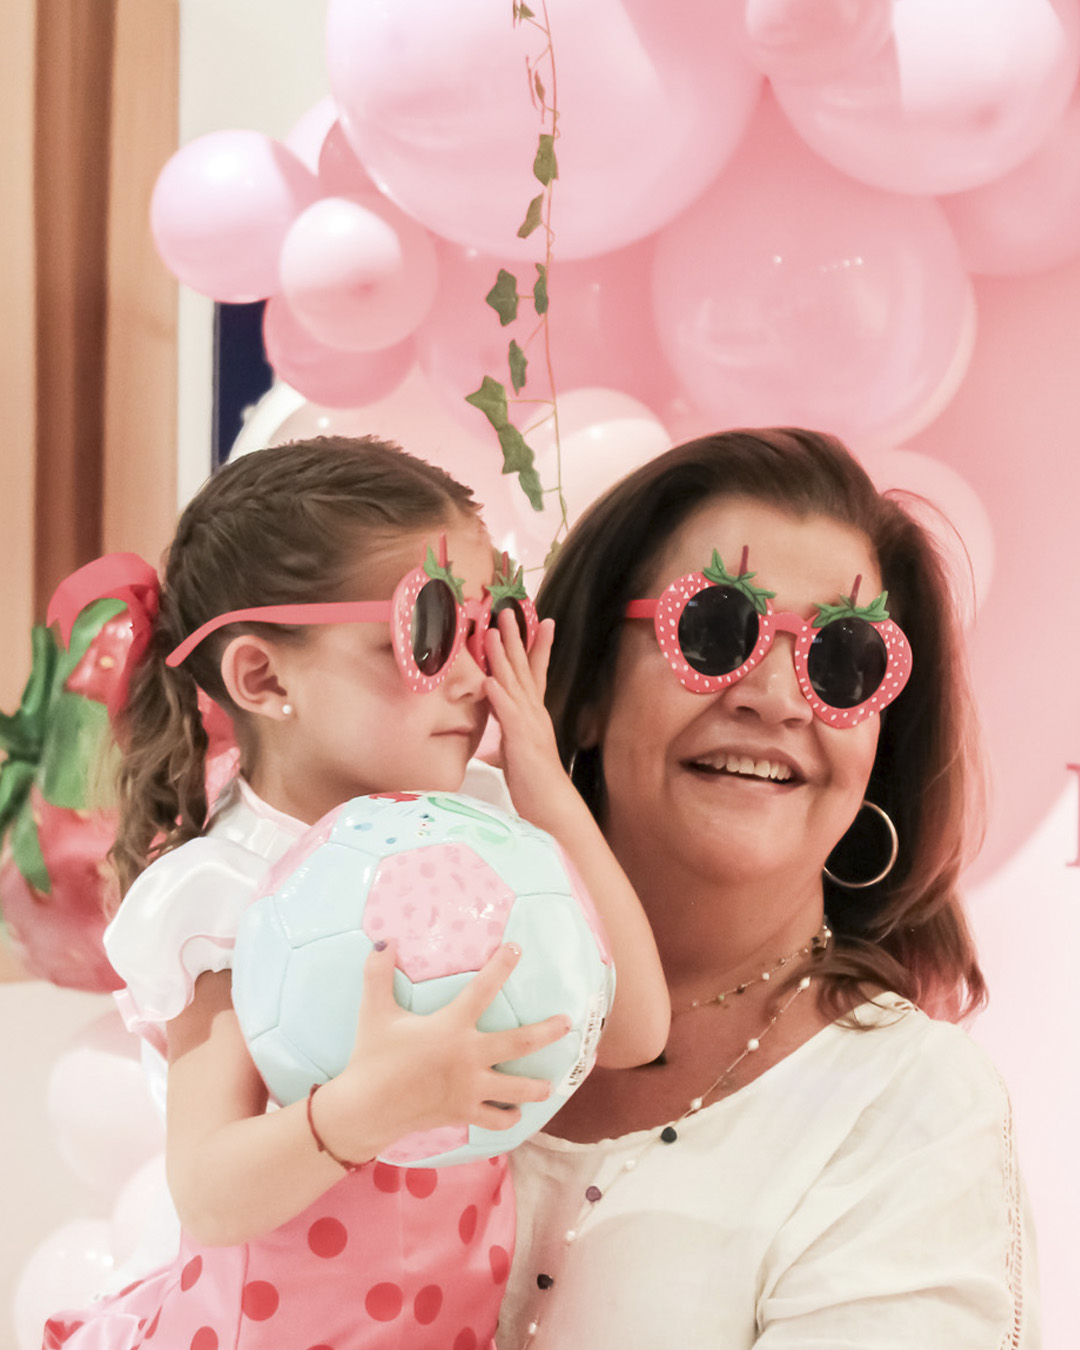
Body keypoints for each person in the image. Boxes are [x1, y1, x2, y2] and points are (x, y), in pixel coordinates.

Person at [41, 435, 669, 1350]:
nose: (472, 675)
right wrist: (368, 1108)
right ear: (263, 676)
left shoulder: (487, 837)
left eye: (487, 625)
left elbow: (634, 1031)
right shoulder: (226, 893)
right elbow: (211, 1192)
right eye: (430, 629)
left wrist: (540, 777)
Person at [498, 428, 1037, 1349]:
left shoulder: (909, 1112)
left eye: (845, 659)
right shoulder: (409, 985)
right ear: (584, 684)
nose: (779, 699)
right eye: (715, 630)